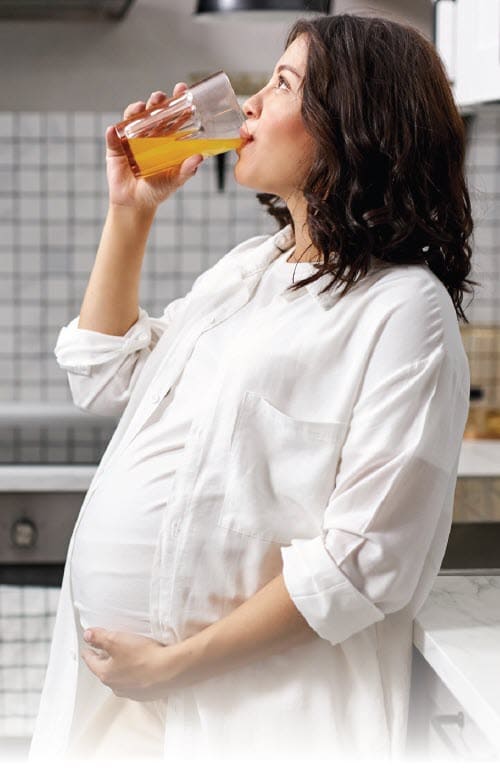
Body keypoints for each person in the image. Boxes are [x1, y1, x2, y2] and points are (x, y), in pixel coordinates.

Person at [29, 12, 474, 763]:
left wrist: (172, 667)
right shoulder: (249, 269)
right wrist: (129, 213)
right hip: (122, 707)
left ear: (353, 124)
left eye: (283, 83)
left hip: (251, 711)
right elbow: (104, 376)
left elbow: (365, 561)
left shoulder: (403, 310)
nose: (251, 102)